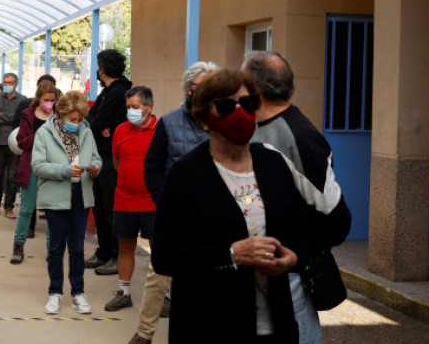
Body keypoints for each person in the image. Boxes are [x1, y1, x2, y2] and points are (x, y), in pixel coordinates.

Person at [152, 69, 314, 342]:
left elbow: (304, 230)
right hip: (210, 325)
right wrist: (231, 254)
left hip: (275, 325)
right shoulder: (186, 175)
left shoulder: (273, 164)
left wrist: (294, 257)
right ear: (204, 117)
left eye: (248, 103)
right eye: (227, 105)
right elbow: (164, 257)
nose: (240, 112)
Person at [243, 51, 351, 344]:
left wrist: (297, 254)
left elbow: (336, 218)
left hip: (289, 280)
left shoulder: (297, 137)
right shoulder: (254, 128)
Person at [128, 61, 218, 344]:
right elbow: (152, 166)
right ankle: (145, 333)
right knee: (159, 273)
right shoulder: (168, 123)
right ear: (190, 90)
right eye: (204, 87)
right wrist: (163, 200)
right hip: (174, 215)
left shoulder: (221, 123)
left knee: (207, 278)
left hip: (211, 216)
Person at [32, 90, 101, 315]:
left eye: (80, 120)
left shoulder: (86, 131)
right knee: (56, 247)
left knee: (78, 248)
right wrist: (63, 170)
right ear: (61, 115)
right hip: (56, 195)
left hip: (81, 193)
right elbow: (38, 165)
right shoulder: (44, 133)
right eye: (72, 120)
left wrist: (97, 167)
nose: (77, 124)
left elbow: (96, 157)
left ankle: (78, 293)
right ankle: (55, 293)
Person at [105, 86, 158, 312]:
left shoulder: (161, 130)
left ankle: (164, 294)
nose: (130, 112)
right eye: (128, 107)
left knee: (160, 250)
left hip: (153, 203)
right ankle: (124, 292)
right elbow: (117, 162)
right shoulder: (120, 131)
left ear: (149, 107)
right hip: (124, 201)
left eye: (135, 107)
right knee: (125, 248)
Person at [85, 49, 132, 275]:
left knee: (111, 209)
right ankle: (103, 252)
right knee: (101, 206)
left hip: (111, 159)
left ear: (102, 68)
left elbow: (95, 123)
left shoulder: (118, 93)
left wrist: (100, 126)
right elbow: (90, 119)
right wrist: (97, 125)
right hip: (100, 155)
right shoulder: (109, 92)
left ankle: (114, 255)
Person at [10, 80, 59, 264]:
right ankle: (18, 246)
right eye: (46, 99)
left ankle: (51, 249)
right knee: (26, 209)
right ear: (38, 98)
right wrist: (41, 134)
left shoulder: (59, 116)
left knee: (52, 210)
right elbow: (21, 142)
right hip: (31, 167)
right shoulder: (28, 115)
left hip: (52, 168)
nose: (49, 103)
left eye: (53, 100)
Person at [0, 73, 27, 218]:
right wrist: (11, 117)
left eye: (10, 83)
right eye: (5, 82)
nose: (7, 85)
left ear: (16, 84)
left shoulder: (23, 100)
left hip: (15, 144)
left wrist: (1, 115)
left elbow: (21, 120)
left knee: (12, 177)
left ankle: (9, 207)